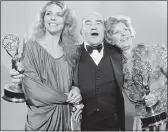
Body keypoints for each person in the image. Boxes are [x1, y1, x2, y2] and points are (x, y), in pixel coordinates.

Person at [8, 1, 84, 131]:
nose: (53, 18)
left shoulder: (71, 50)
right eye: (49, 14)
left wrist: (76, 90)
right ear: (43, 19)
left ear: (66, 21)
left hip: (65, 119)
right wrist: (69, 98)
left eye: (59, 15)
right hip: (40, 122)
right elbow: (33, 90)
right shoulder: (32, 46)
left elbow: (73, 81)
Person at [104, 15, 167, 131]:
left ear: (131, 32)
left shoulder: (153, 50)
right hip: (143, 123)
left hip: (165, 117)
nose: (123, 33)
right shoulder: (116, 67)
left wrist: (158, 95)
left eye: (125, 29)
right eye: (117, 32)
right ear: (110, 39)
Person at [73, 12, 125, 131]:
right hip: (83, 124)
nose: (94, 26)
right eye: (88, 23)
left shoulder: (118, 53)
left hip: (114, 124)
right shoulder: (71, 55)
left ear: (104, 30)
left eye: (98, 23)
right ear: (81, 32)